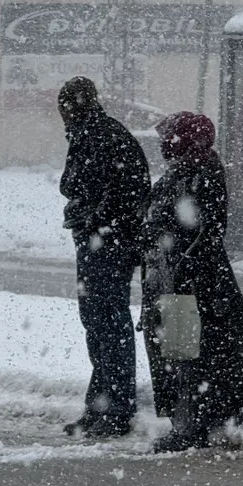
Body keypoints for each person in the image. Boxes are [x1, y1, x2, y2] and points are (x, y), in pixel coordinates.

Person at [140, 111, 243, 453]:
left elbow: (205, 230)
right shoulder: (188, 170)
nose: (164, 145)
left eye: (171, 138)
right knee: (187, 352)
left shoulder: (200, 172)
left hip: (189, 281)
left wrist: (181, 267)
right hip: (181, 277)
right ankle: (200, 418)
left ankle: (191, 424)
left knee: (187, 354)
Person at [58, 76, 150, 438]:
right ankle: (101, 405)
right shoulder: (96, 132)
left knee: (107, 323)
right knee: (99, 322)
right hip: (103, 240)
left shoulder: (99, 136)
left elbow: (113, 189)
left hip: (106, 243)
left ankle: (115, 407)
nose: (63, 115)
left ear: (73, 106)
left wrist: (97, 220)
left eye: (65, 107)